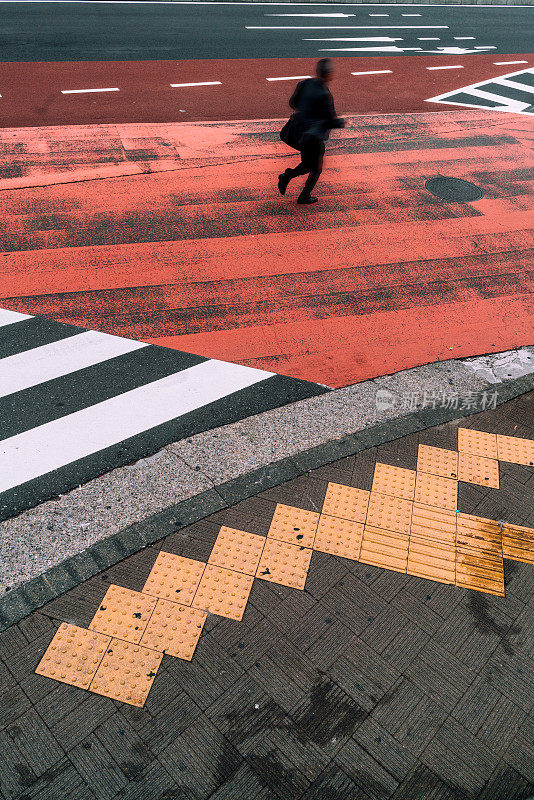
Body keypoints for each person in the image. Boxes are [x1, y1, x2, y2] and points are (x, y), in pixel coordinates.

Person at [278, 58, 345, 205]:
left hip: (297, 131)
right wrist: (341, 122)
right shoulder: (324, 94)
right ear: (328, 75)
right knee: (316, 168)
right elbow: (330, 120)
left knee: (308, 163)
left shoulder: (305, 83)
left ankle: (287, 177)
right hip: (313, 136)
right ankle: (303, 194)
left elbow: (292, 103)